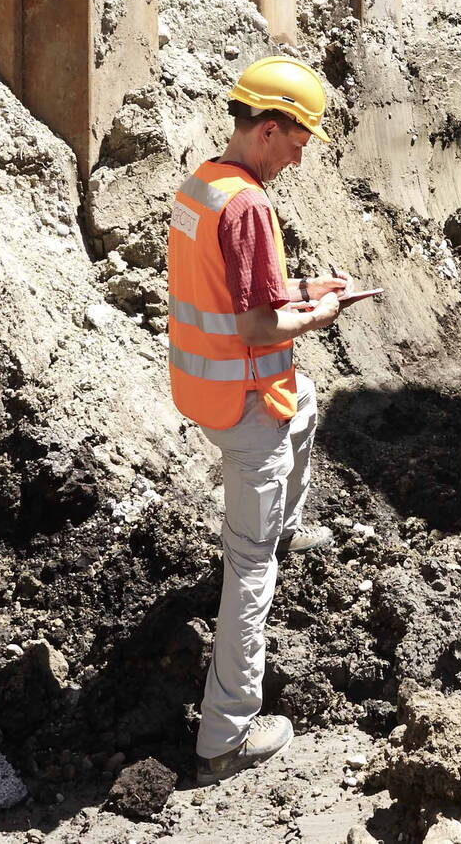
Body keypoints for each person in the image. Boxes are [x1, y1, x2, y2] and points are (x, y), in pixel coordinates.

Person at [167, 56, 348, 780]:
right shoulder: (248, 206)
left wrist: (304, 287)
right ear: (268, 129)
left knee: (304, 402)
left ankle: (287, 529)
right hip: (244, 404)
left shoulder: (202, 185)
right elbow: (256, 326)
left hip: (208, 391)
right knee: (248, 570)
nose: (303, 155)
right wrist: (322, 313)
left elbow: (232, 289)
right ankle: (225, 738)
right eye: (300, 140)